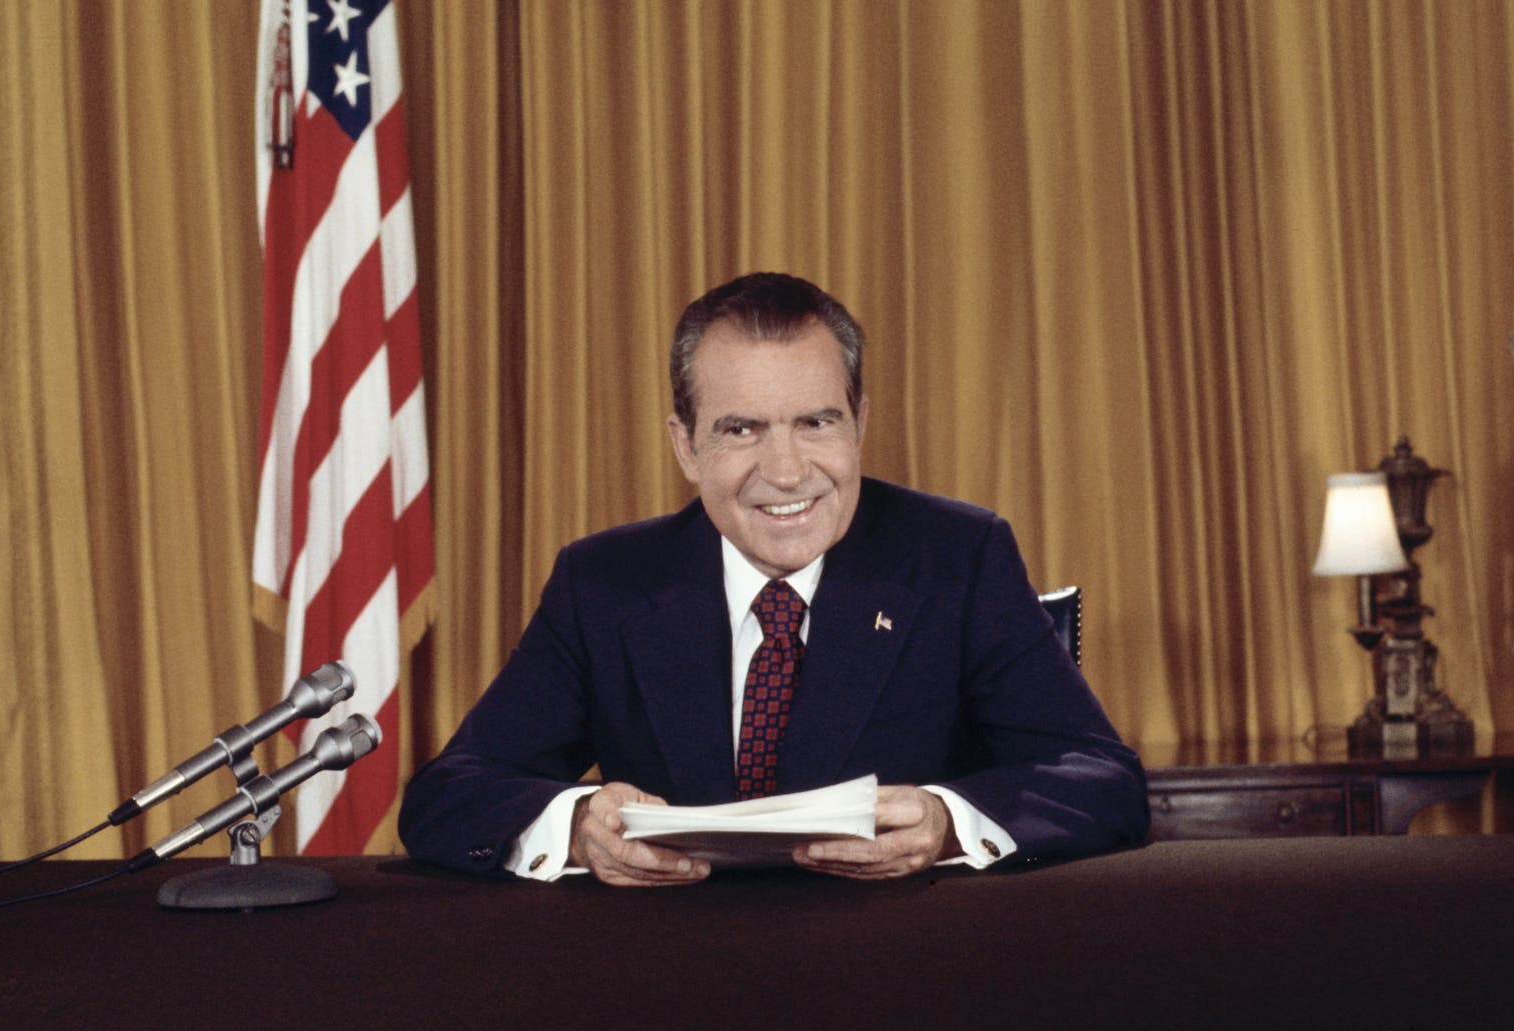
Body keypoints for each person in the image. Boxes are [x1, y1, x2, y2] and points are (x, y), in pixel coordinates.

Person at [399, 272, 1148, 884]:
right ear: (686, 446)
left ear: (859, 422)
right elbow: (448, 796)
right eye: (741, 429)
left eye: (816, 423)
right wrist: (575, 827)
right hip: (670, 995)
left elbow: (1102, 780)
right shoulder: (604, 583)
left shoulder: (959, 556)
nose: (786, 472)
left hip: (902, 987)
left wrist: (946, 820)